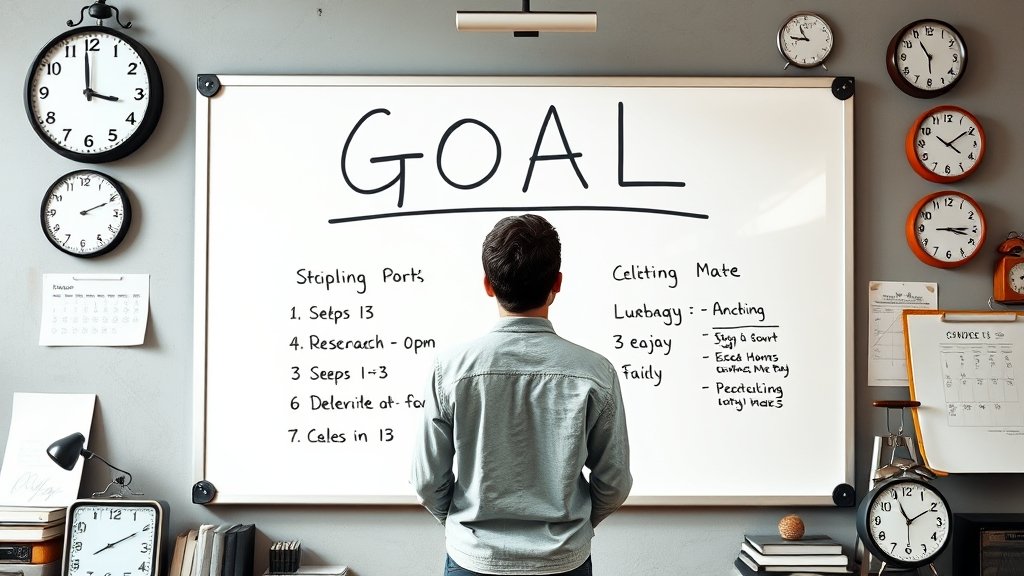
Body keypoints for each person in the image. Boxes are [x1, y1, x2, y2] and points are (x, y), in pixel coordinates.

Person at [411, 214, 633, 576]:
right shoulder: (595, 371)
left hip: (473, 559)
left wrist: (461, 525)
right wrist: (573, 530)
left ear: (487, 284)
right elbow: (615, 481)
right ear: (557, 283)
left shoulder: (449, 369)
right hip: (563, 561)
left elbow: (425, 479)